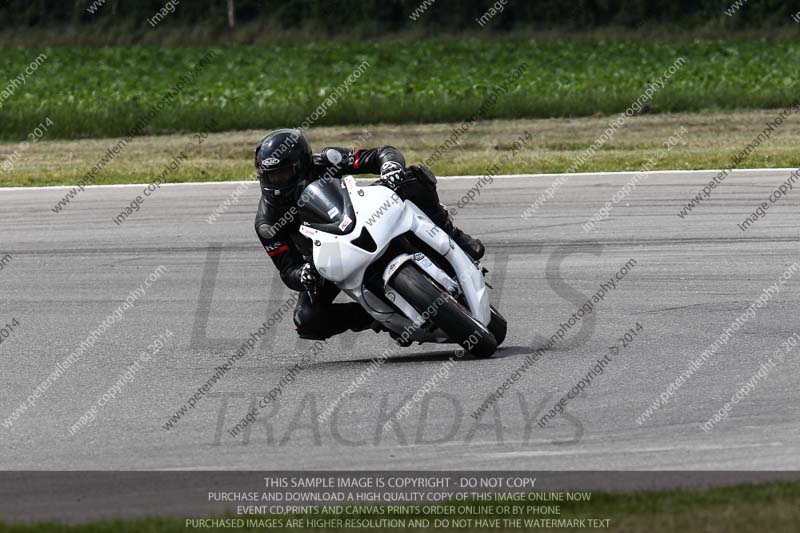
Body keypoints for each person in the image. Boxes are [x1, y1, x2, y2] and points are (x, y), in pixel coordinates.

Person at [253, 128, 484, 340]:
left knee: (413, 177)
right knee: (307, 319)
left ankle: (453, 235)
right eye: (271, 176)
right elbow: (287, 270)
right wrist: (303, 274)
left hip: (362, 218)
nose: (276, 183)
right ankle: (379, 317)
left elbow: (380, 153)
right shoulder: (267, 222)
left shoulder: (326, 161)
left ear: (302, 164)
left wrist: (390, 166)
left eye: (282, 174)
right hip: (327, 261)